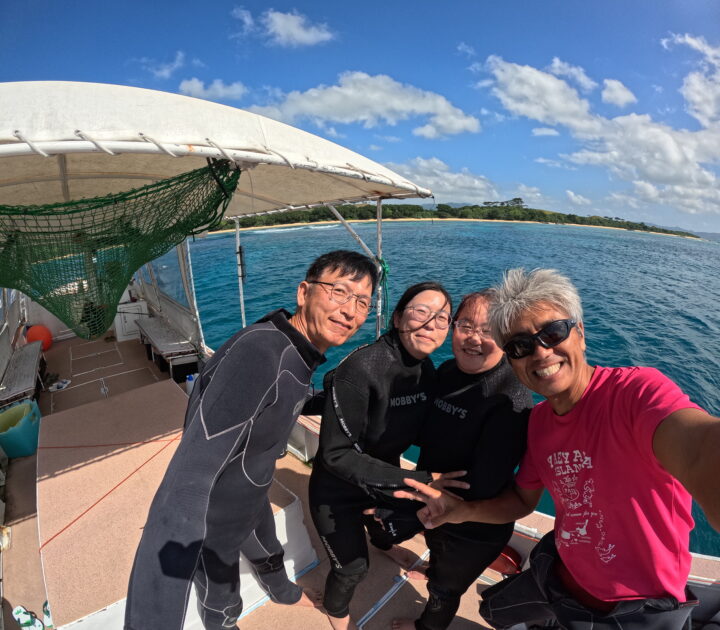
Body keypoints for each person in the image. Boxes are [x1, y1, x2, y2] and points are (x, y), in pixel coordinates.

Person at [396, 268, 720, 629]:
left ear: (580, 333)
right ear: (512, 359)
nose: (541, 352)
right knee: (493, 612)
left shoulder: (637, 394)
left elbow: (700, 448)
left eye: (552, 332)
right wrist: (460, 512)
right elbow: (521, 501)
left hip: (635, 607)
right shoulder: (539, 422)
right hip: (559, 568)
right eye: (520, 345)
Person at [125, 250, 379, 630]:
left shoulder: (293, 350)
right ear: (304, 292)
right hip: (216, 520)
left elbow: (278, 400)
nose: (350, 311)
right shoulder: (259, 353)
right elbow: (184, 487)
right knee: (220, 596)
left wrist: (336, 399)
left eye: (362, 302)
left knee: (269, 552)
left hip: (252, 493)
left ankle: (285, 594)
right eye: (340, 292)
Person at [309, 282, 466, 630]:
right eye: (421, 311)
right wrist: (423, 481)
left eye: (442, 318)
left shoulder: (425, 372)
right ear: (397, 318)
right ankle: (335, 612)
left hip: (380, 475)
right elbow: (336, 455)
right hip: (336, 488)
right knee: (351, 569)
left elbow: (422, 427)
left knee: (402, 524)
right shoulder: (362, 368)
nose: (431, 324)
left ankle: (383, 543)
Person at [391, 290, 533, 630]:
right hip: (435, 503)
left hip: (474, 529)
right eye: (466, 325)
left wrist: (425, 488)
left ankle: (427, 627)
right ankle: (432, 568)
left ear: (505, 338)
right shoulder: (448, 371)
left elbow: (485, 480)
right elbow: (426, 429)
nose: (474, 338)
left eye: (488, 330)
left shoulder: (510, 398)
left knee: (444, 589)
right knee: (435, 559)